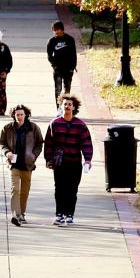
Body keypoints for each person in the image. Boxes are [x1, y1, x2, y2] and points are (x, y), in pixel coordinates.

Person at [44, 94, 94, 225]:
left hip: (75, 162)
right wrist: (48, 159)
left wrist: (87, 160)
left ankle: (69, 214)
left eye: (70, 104)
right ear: (61, 106)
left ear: (74, 107)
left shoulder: (80, 125)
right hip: (60, 163)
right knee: (59, 189)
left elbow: (86, 143)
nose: (67, 106)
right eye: (65, 104)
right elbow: (49, 143)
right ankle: (59, 214)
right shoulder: (54, 123)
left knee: (72, 189)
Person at [0, 104, 43, 226]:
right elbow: (2, 143)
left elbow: (40, 143)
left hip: (28, 164)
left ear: (26, 115)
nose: (19, 117)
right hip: (13, 164)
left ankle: (21, 214)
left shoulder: (33, 128)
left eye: (21, 114)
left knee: (25, 191)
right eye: (17, 114)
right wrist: (7, 152)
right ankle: (15, 214)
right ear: (13, 115)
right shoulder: (7, 128)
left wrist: (33, 155)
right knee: (15, 189)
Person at [47, 20, 78, 108]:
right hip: (58, 69)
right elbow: (49, 56)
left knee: (67, 89)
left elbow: (73, 54)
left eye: (57, 30)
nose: (56, 32)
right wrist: (54, 66)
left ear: (62, 29)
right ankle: (59, 108)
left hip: (68, 68)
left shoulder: (69, 39)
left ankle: (67, 107)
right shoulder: (52, 41)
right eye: (54, 30)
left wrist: (72, 67)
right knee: (58, 89)